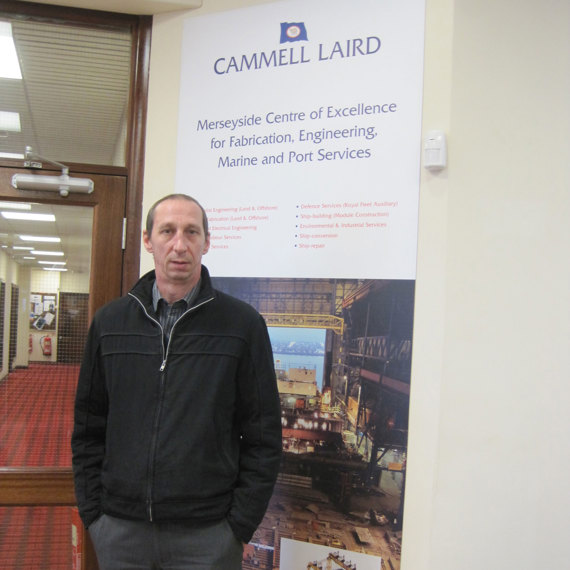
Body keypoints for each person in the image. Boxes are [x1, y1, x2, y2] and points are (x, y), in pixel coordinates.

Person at [71, 194, 282, 569]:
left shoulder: (242, 326)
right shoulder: (110, 323)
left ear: (207, 242)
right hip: (120, 531)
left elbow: (264, 438)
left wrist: (238, 525)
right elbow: (88, 427)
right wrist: (94, 516)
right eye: (167, 231)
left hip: (208, 536)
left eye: (191, 232)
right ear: (148, 240)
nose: (179, 244)